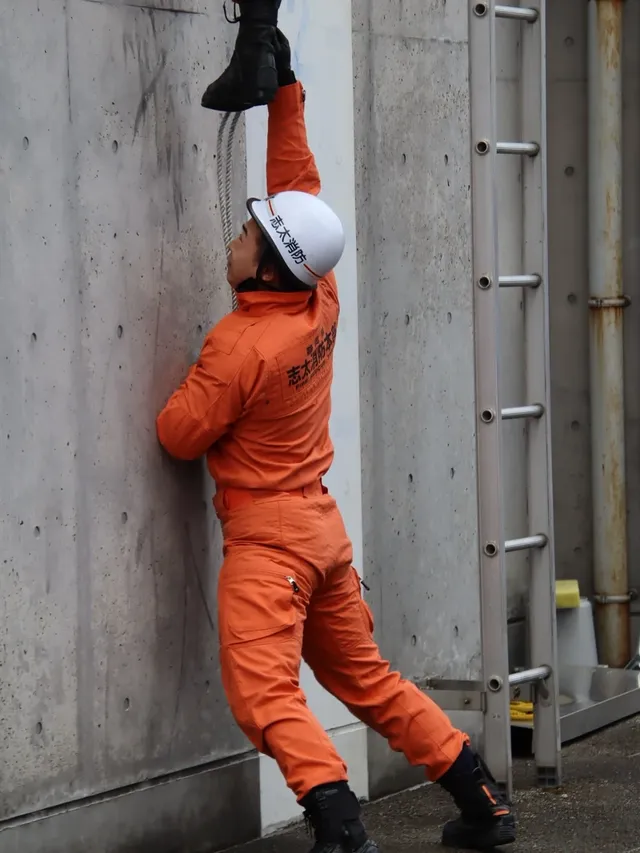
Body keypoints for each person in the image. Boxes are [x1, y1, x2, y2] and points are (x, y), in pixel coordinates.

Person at [157, 26, 516, 853]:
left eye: (247, 236)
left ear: (267, 270)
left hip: (269, 541)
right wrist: (284, 87)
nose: (236, 236)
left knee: (263, 692)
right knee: (367, 677)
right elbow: (299, 191)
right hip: (319, 531)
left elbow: (177, 434)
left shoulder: (240, 346)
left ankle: (341, 826)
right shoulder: (318, 297)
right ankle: (482, 799)